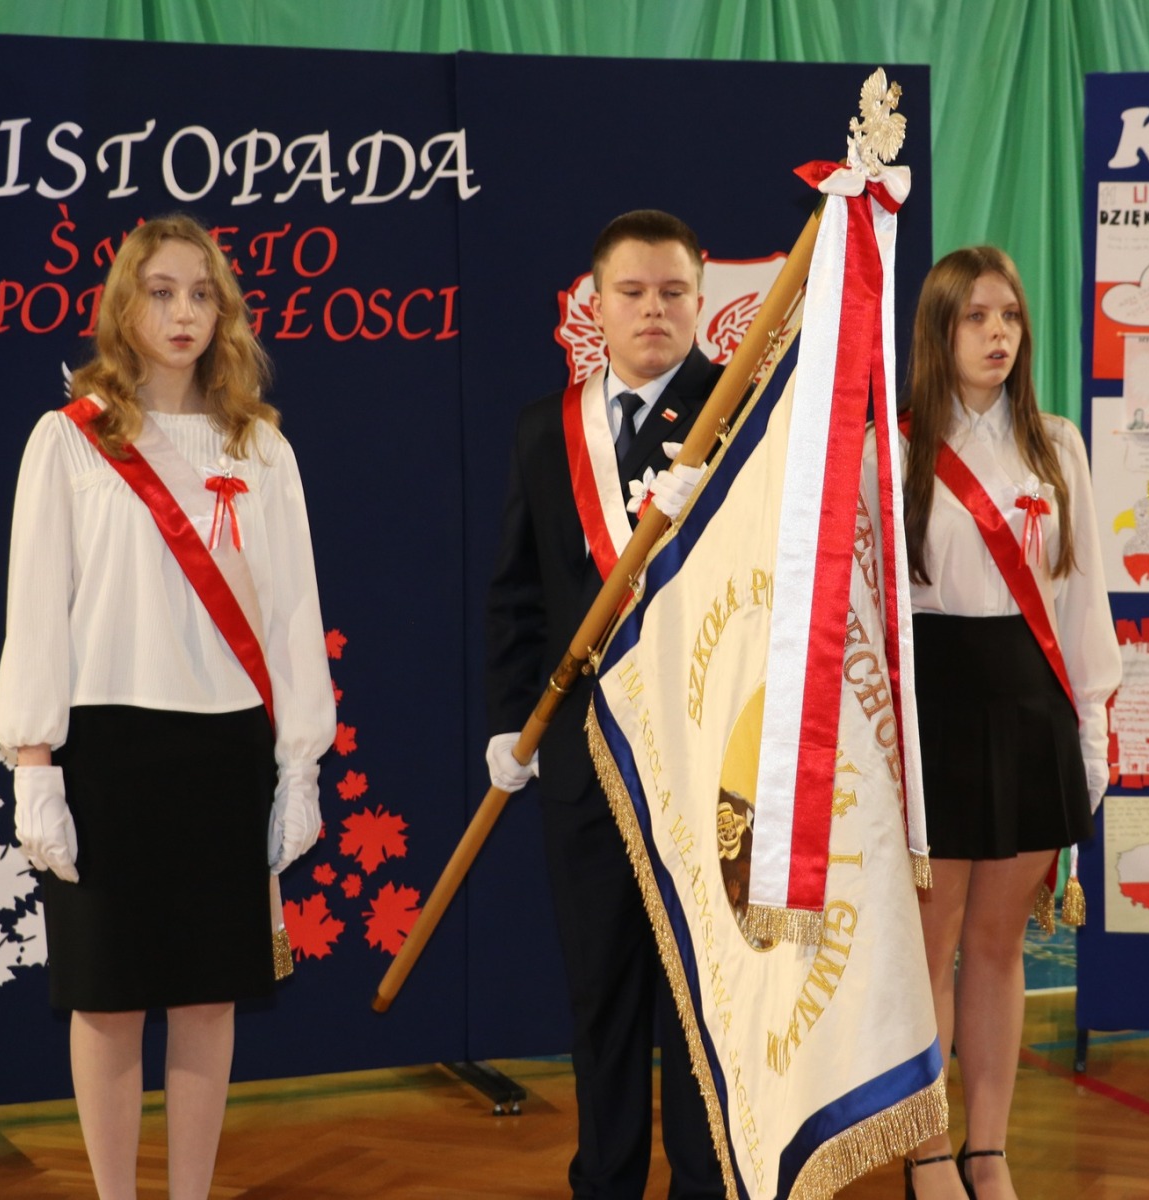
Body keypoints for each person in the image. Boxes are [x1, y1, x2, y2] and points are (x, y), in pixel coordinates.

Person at [0, 215, 335, 1200]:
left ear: (224, 313)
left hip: (224, 747)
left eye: (202, 294)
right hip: (104, 748)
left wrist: (299, 765)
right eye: (162, 291)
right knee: (104, 1001)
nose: (183, 312)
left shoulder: (261, 447)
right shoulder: (68, 439)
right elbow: (36, 608)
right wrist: (35, 767)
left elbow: (295, 612)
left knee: (206, 996)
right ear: (123, 306)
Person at [484, 209, 719, 1199]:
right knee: (602, 993)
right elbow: (520, 593)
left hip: (707, 757)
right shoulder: (548, 428)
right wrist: (513, 720)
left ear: (700, 301)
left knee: (700, 1004)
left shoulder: (740, 413)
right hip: (586, 759)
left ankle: (707, 1184)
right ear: (597, 303)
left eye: (673, 292)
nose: (653, 310)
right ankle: (608, 1182)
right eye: (632, 292)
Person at [892, 247, 1121, 1200]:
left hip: (1032, 707)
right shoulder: (891, 445)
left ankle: (987, 1148)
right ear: (937, 331)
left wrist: (1091, 730)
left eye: (1011, 316)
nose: (998, 334)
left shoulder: (1057, 444)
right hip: (934, 710)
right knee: (930, 945)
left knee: (998, 944)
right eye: (976, 317)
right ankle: (925, 1151)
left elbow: (1083, 595)